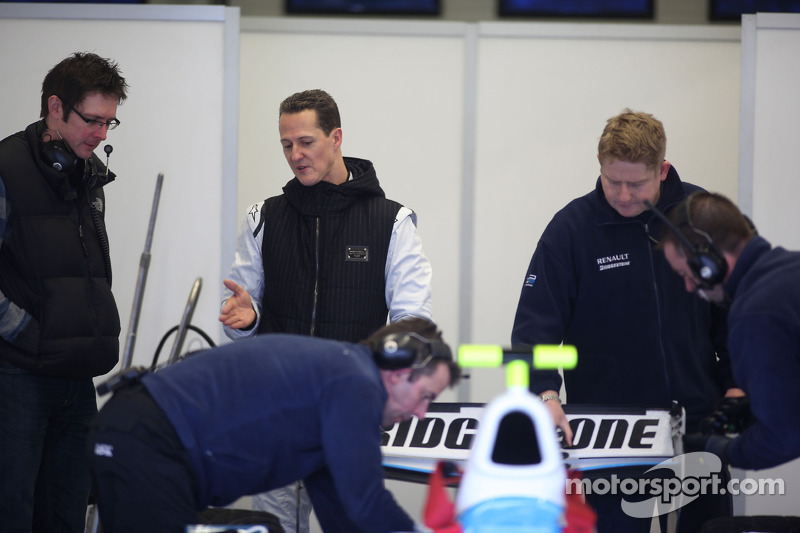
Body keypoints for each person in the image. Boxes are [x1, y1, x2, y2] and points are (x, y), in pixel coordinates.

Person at [511, 109, 740, 533]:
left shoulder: (700, 219)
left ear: (663, 169)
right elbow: (533, 328)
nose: (623, 195)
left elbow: (732, 315)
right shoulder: (571, 229)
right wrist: (545, 392)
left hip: (698, 422)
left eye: (636, 183)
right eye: (611, 180)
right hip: (609, 435)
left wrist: (737, 384)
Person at [218, 88, 433, 532]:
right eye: (286, 145)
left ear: (336, 138)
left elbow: (412, 322)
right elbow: (244, 314)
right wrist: (248, 320)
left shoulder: (391, 221)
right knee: (272, 526)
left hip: (350, 418)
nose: (296, 155)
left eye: (306, 142)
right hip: (276, 414)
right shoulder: (264, 217)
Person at [87, 317, 461, 533]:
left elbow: (345, 515)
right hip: (148, 441)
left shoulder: (339, 381)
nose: (422, 414)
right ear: (398, 374)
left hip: (133, 432)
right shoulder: (355, 383)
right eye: (427, 396)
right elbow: (368, 503)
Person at [0, 52, 127, 533]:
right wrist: (30, 336)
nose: (101, 135)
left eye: (110, 123)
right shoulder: (6, 168)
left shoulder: (88, 173)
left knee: (67, 515)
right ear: (55, 107)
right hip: (18, 376)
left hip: (76, 378)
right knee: (14, 513)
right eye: (92, 120)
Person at [658, 191, 800, 533]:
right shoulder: (790, 269)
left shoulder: (755, 313)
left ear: (709, 263)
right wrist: (752, 407)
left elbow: (785, 437)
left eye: (687, 274)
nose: (690, 288)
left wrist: (722, 449)